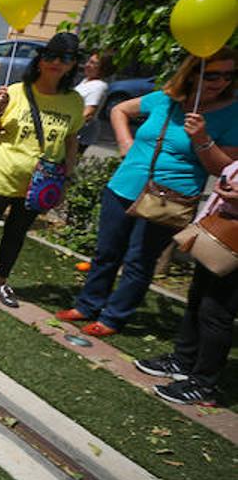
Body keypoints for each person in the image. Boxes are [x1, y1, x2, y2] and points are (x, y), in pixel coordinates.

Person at [57, 48, 238, 335]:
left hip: (170, 196)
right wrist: (125, 142)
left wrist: (202, 139)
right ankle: (88, 304)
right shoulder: (166, 99)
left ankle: (113, 317)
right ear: (192, 73)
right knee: (106, 252)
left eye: (229, 75)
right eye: (214, 74)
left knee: (139, 260)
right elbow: (119, 109)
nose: (221, 82)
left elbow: (224, 168)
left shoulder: (231, 114)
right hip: (125, 185)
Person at [0, 32, 85, 307]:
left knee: (16, 233)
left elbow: (71, 141)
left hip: (40, 181)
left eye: (65, 58)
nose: (56, 62)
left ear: (72, 64)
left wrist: (66, 178)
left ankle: (0, 281)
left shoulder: (74, 101)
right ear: (40, 60)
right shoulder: (14, 92)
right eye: (51, 55)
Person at [135, 159, 237, 407]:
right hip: (220, 233)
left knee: (216, 311)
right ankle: (183, 361)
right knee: (198, 298)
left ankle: (203, 384)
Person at [74, 51, 112, 148]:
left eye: (93, 63)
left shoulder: (98, 86)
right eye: (88, 61)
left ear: (103, 68)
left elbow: (89, 113)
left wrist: (68, 128)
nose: (87, 65)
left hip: (78, 135)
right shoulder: (86, 81)